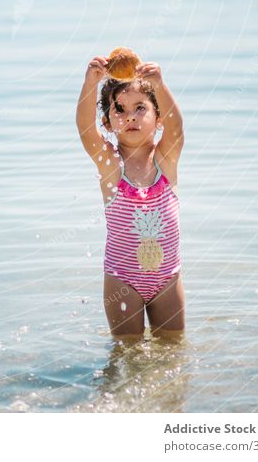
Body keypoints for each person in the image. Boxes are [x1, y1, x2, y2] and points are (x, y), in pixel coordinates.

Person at [76, 56, 185, 341]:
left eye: (140, 108)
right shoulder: (111, 165)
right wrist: (90, 85)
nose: (131, 116)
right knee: (127, 351)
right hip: (122, 280)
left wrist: (160, 86)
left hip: (167, 278)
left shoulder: (166, 159)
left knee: (173, 346)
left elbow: (177, 130)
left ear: (158, 117)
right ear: (108, 122)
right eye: (120, 110)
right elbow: (87, 133)